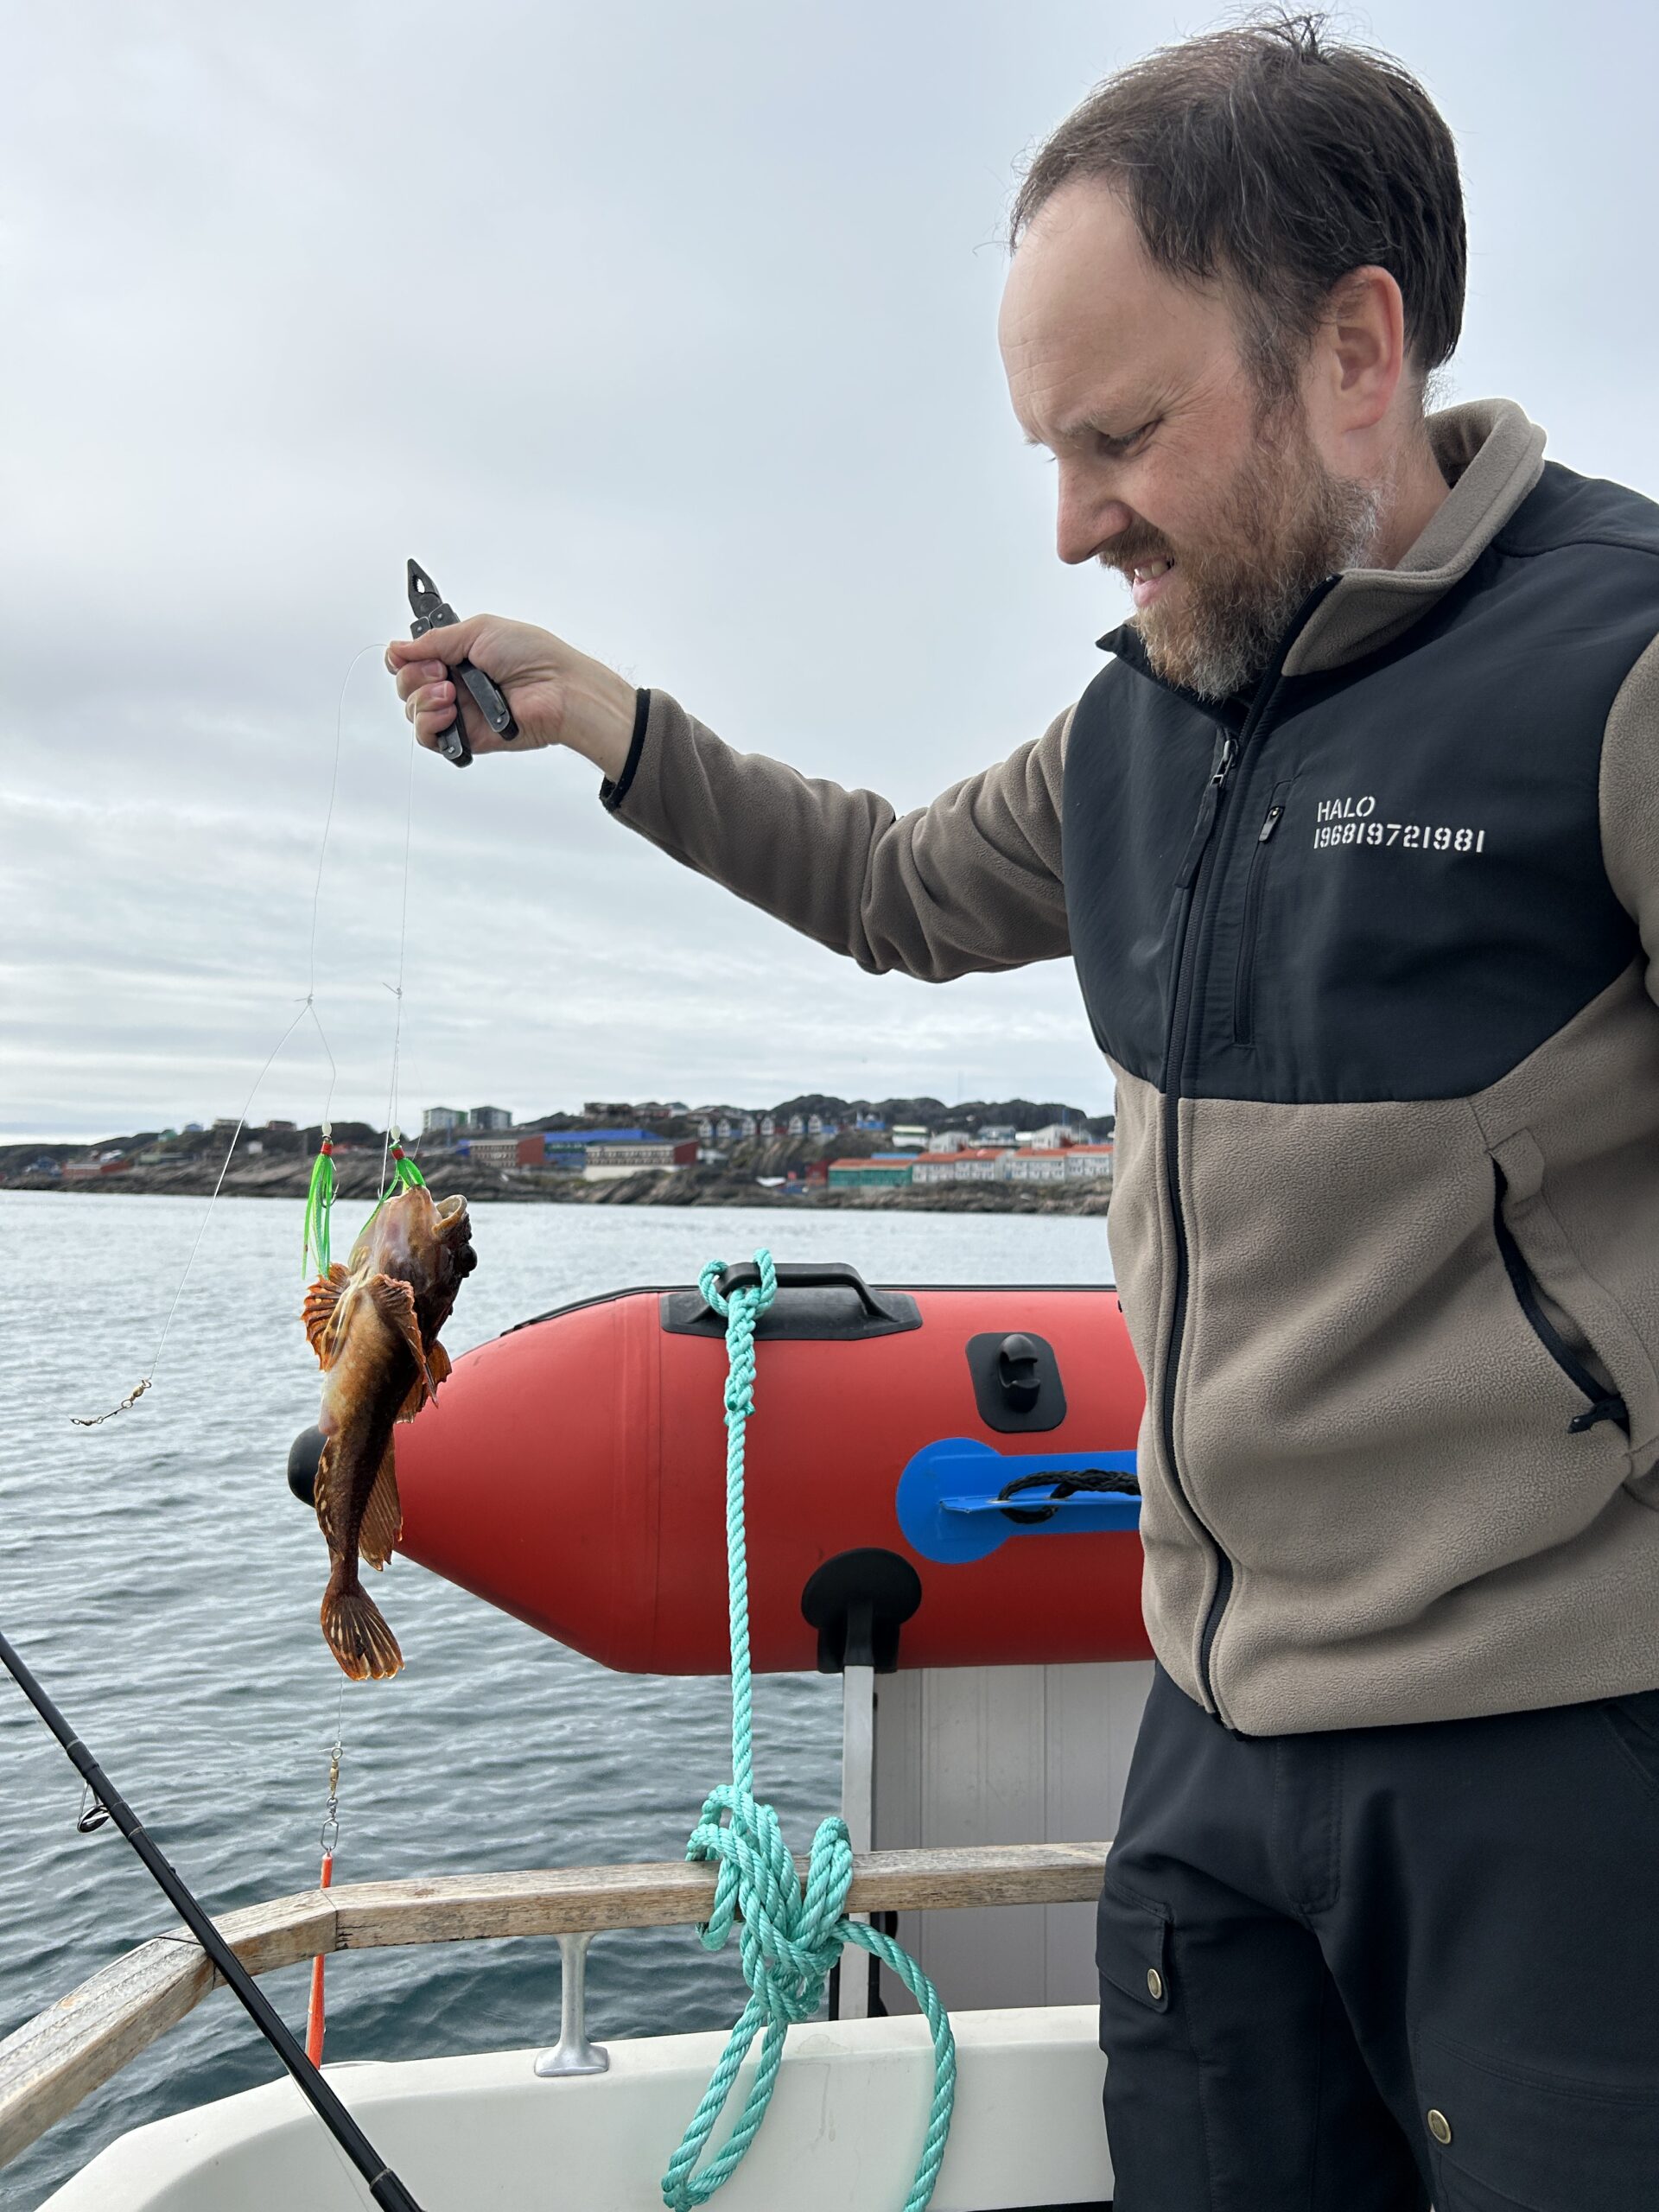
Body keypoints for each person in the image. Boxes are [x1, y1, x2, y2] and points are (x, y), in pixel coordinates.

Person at [388, 15, 1659, 2207]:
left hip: (1554, 1763)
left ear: (1357, 349)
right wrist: (606, 719)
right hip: (1210, 1749)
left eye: (1122, 436)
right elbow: (892, 883)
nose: (1073, 523)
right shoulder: (1142, 719)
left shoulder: (1617, 667)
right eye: (1047, 452)